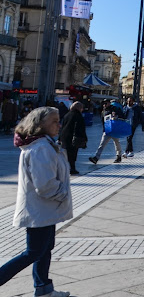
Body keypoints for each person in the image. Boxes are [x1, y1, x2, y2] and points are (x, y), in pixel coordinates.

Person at [0, 106, 73, 297]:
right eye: (54, 121)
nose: (59, 124)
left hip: (45, 211)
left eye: (59, 120)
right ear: (40, 125)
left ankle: (43, 289)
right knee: (33, 252)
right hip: (39, 210)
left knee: (44, 249)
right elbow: (45, 185)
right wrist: (63, 194)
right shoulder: (40, 148)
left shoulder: (45, 144)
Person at [89, 101, 123, 165]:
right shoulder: (103, 111)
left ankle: (119, 156)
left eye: (105, 103)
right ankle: (96, 158)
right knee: (102, 144)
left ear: (109, 103)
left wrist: (116, 117)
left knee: (116, 143)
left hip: (114, 129)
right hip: (107, 130)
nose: (104, 105)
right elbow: (103, 121)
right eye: (103, 104)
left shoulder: (115, 109)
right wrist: (104, 129)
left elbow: (122, 116)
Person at [58, 101, 86, 175]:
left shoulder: (67, 115)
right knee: (73, 154)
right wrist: (83, 138)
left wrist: (59, 137)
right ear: (79, 108)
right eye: (82, 108)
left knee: (66, 154)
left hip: (65, 137)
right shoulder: (78, 116)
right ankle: (72, 168)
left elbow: (62, 126)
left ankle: (67, 168)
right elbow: (80, 128)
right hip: (73, 138)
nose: (82, 109)